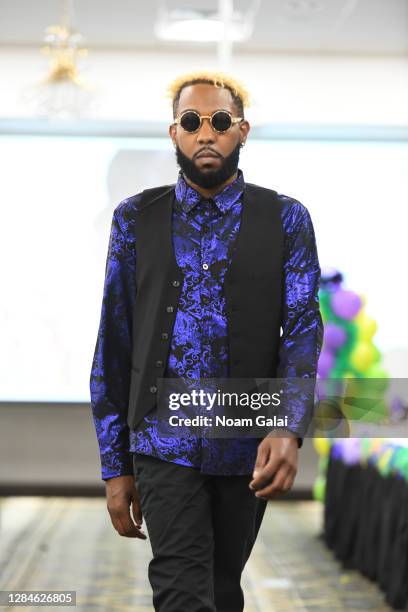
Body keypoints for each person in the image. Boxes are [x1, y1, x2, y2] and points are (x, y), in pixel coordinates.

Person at [89, 70, 324, 612]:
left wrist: (287, 426)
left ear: (242, 132)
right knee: (180, 589)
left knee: (220, 589)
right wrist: (114, 464)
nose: (205, 133)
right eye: (191, 122)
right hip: (161, 440)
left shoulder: (286, 218)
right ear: (174, 133)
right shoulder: (134, 218)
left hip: (245, 440)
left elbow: (303, 329)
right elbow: (115, 342)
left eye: (219, 122)